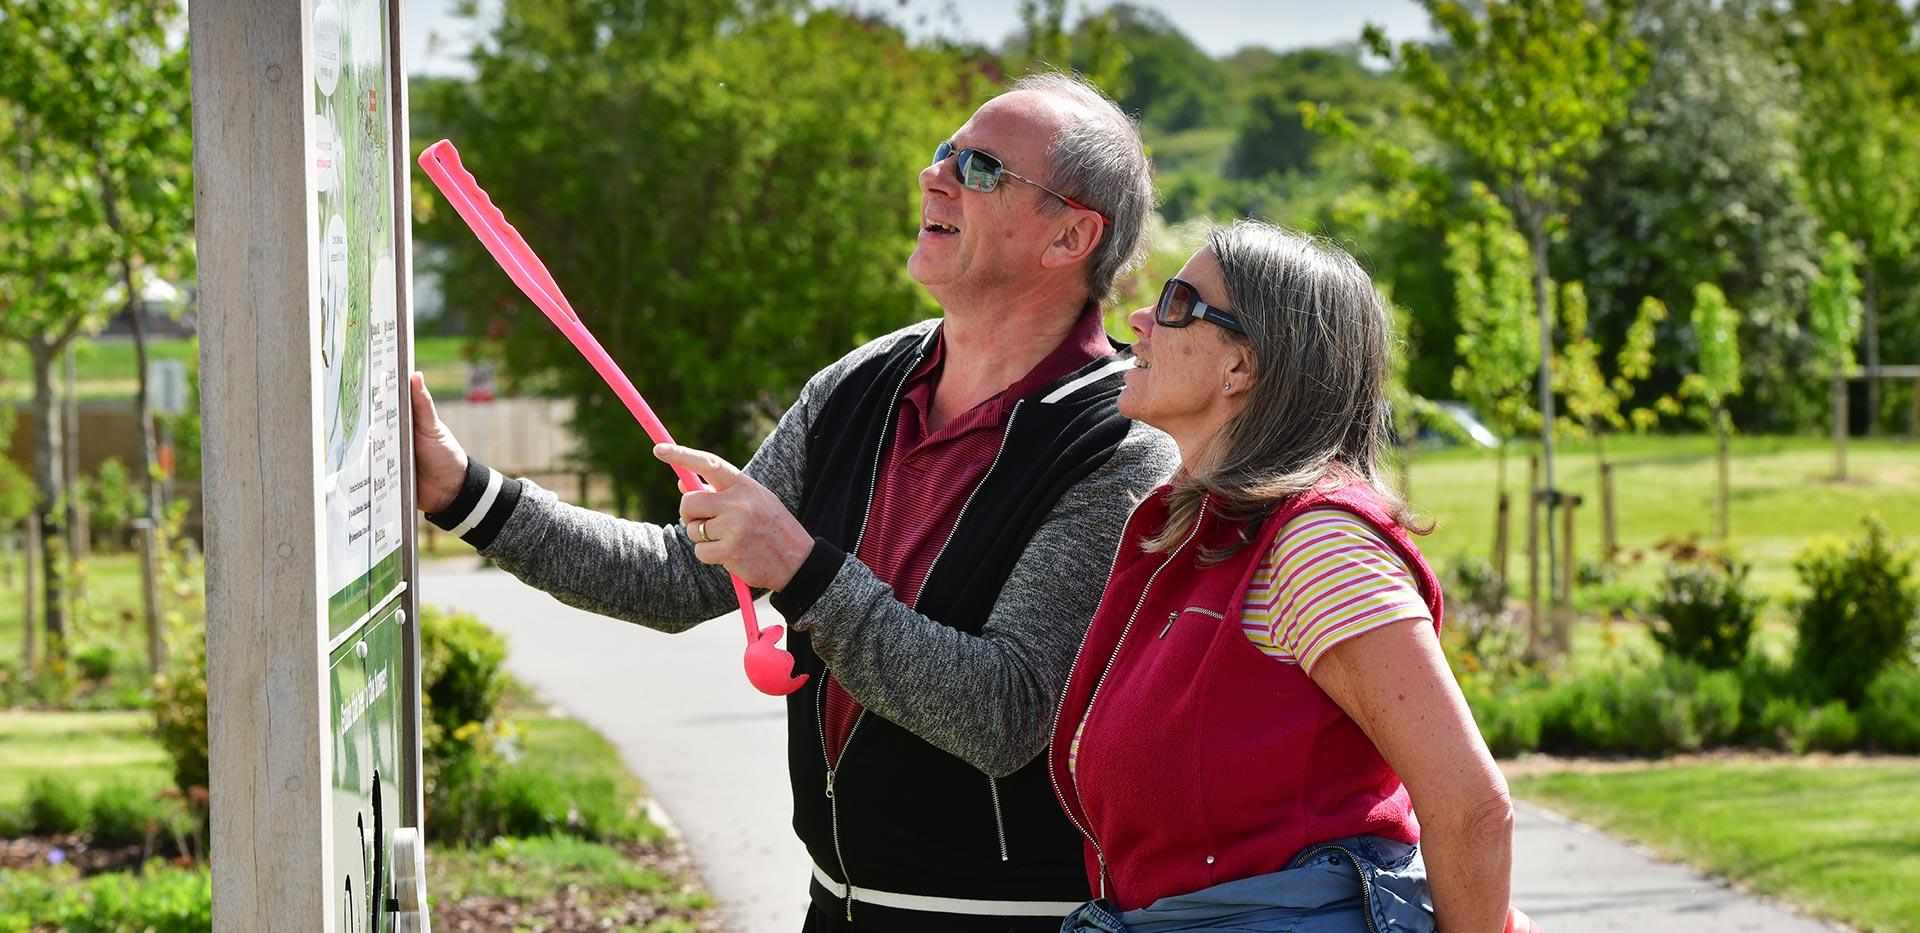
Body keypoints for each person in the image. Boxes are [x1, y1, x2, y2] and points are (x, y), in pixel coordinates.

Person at [410, 72, 1179, 932]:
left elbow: (1003, 711)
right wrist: (461, 491)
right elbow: (681, 576)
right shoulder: (863, 382)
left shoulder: (1122, 449)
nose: (937, 176)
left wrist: (805, 570)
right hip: (833, 906)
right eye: (944, 152)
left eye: (984, 169)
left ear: (1071, 234)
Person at [1049, 221, 1532, 933]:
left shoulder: (1315, 543)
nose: (1141, 319)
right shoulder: (1200, 529)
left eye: (1179, 301)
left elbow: (1472, 807)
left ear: (1242, 367)